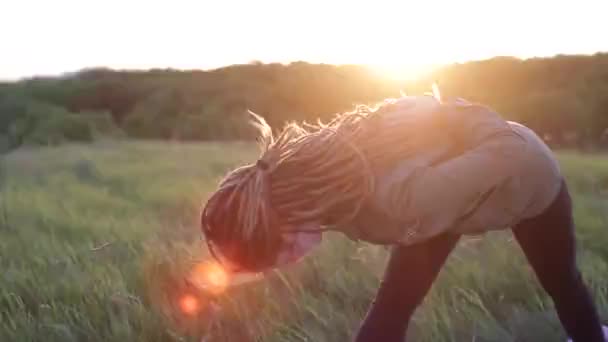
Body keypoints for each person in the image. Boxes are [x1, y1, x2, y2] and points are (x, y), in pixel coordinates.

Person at [200, 90, 606, 341]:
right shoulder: (316, 185)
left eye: (283, 250)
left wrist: (457, 116)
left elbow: (510, 151)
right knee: (392, 307)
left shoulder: (403, 201)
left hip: (528, 181)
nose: (289, 262)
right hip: (438, 207)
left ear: (291, 215)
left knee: (562, 283)